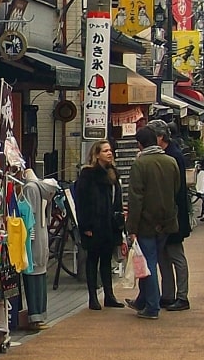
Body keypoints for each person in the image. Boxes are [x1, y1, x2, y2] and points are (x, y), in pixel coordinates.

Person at [125, 124, 182, 319]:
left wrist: (131, 227)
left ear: (140, 144)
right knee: (153, 260)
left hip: (145, 223)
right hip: (166, 221)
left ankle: (152, 306)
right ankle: (144, 300)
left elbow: (135, 198)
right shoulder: (170, 161)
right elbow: (176, 189)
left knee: (146, 263)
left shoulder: (140, 164)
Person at [72, 141, 126, 310]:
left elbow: (117, 199)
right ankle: (93, 297)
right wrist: (85, 226)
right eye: (105, 151)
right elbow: (82, 202)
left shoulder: (113, 174)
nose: (109, 153)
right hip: (94, 224)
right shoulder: (88, 175)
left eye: (110, 150)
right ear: (96, 155)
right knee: (92, 259)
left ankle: (109, 295)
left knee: (106, 260)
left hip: (110, 224)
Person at [154, 122, 193, 310]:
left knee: (176, 255)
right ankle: (167, 294)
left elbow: (174, 190)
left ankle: (182, 296)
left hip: (173, 214)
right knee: (163, 255)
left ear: (160, 138)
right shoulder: (170, 154)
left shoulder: (173, 156)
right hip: (168, 214)